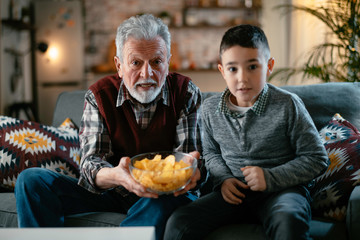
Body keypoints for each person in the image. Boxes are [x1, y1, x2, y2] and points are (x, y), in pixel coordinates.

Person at [15, 14, 204, 240]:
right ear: (119, 65)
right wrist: (119, 176)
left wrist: (190, 170)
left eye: (156, 61)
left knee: (162, 201)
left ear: (168, 61)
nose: (147, 73)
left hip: (162, 193)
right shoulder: (99, 96)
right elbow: (90, 163)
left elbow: (185, 159)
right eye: (135, 62)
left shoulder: (186, 92)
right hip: (114, 189)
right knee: (31, 181)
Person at [163, 24, 328, 240]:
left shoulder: (288, 105)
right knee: (179, 222)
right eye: (233, 69)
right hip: (233, 192)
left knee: (289, 220)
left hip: (282, 191)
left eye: (252, 67)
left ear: (269, 66)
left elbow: (317, 158)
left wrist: (270, 177)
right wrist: (224, 180)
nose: (242, 78)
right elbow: (211, 154)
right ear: (222, 71)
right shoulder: (210, 109)